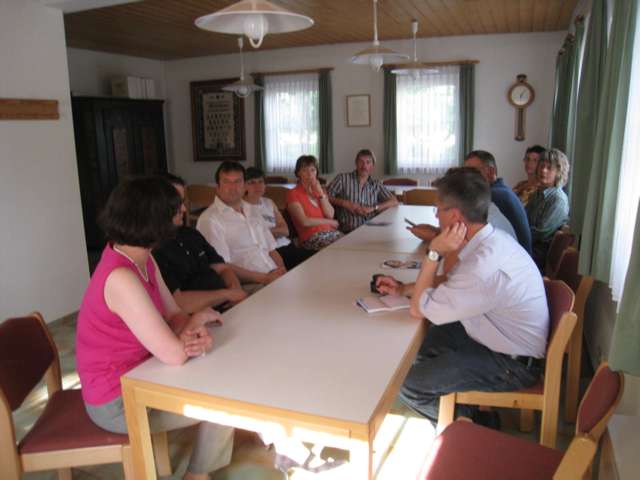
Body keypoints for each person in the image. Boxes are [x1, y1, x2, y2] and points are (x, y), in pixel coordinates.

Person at [76, 176, 234, 480]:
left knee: (220, 372)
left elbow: (174, 314)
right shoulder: (121, 277)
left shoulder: (141, 258)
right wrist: (193, 327)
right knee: (227, 397)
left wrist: (191, 329)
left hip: (141, 373)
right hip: (118, 402)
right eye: (176, 208)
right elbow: (174, 354)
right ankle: (197, 476)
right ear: (153, 219)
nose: (183, 211)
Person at [376, 167, 548, 425]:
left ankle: (474, 424)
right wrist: (403, 289)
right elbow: (450, 282)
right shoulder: (490, 240)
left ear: (455, 216)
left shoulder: (482, 266)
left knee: (408, 384)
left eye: (438, 209)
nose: (435, 215)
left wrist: (434, 253)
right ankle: (455, 408)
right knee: (424, 343)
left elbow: (418, 310)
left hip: (511, 363)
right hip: (498, 338)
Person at [153, 173, 247, 313]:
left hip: (229, 306)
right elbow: (178, 302)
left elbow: (222, 268)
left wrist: (235, 291)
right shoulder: (153, 249)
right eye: (177, 203)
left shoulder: (190, 233)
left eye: (183, 202)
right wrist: (227, 294)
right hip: (200, 317)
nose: (184, 209)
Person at [197, 162, 287, 288]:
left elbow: (271, 249)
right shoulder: (210, 219)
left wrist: (283, 271)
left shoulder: (252, 210)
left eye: (237, 181)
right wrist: (265, 279)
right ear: (217, 187)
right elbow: (221, 266)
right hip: (249, 284)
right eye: (227, 182)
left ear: (244, 186)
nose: (233, 187)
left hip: (273, 275)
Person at [244, 167, 315, 270]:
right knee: (315, 261)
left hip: (287, 245)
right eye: (252, 183)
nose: (257, 186)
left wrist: (266, 231)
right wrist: (274, 231)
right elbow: (254, 236)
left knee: (320, 256)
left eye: (260, 182)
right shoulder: (241, 207)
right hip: (272, 251)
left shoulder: (269, 202)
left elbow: (285, 231)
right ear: (244, 186)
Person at [464, 150, 533, 254]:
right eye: (465, 172)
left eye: (473, 172)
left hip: (513, 260)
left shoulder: (495, 196)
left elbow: (470, 233)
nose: (467, 177)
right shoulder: (501, 190)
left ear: (491, 172)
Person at [327, 149, 398, 233]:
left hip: (371, 230)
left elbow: (394, 201)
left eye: (368, 162)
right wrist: (344, 203)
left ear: (372, 166)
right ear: (356, 164)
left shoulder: (376, 184)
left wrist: (373, 208)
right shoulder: (342, 179)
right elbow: (325, 196)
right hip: (347, 231)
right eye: (361, 162)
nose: (364, 166)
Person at [286, 155, 344, 250]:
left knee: (352, 245)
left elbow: (330, 215)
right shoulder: (293, 193)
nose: (310, 174)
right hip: (311, 237)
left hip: (331, 233)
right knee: (342, 249)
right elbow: (304, 222)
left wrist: (321, 193)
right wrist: (330, 222)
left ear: (316, 172)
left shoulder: (319, 191)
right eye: (305, 170)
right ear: (298, 173)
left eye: (313, 170)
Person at [526, 148, 570, 268]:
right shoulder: (537, 193)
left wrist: (517, 236)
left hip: (540, 254)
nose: (543, 170)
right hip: (530, 246)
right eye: (541, 166)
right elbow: (524, 218)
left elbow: (541, 233)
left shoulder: (558, 199)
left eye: (549, 168)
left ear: (558, 173)